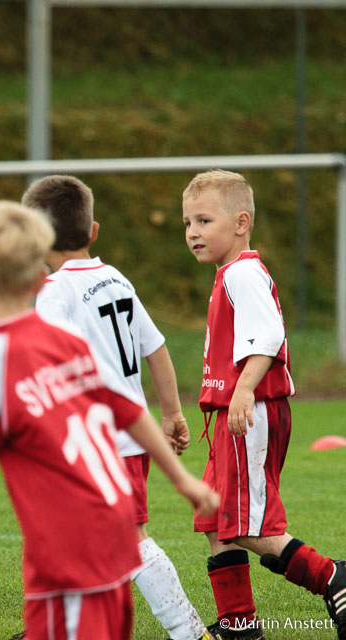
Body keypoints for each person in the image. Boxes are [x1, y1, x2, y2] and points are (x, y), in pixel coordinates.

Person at [0, 200, 219, 640]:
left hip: (69, 548)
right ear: (36, 278)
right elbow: (126, 408)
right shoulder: (66, 341)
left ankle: (189, 632)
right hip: (101, 531)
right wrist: (183, 480)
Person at [23, 175, 211, 640]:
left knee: (130, 539)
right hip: (130, 436)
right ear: (93, 231)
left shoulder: (55, 294)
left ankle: (190, 632)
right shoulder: (116, 279)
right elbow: (156, 348)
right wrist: (172, 414)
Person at [182, 169, 346, 640]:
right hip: (233, 415)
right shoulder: (230, 274)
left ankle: (333, 577)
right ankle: (239, 625)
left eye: (204, 220)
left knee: (244, 523)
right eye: (187, 222)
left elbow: (271, 335)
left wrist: (244, 389)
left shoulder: (243, 273)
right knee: (217, 520)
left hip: (249, 414)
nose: (193, 232)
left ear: (240, 222)